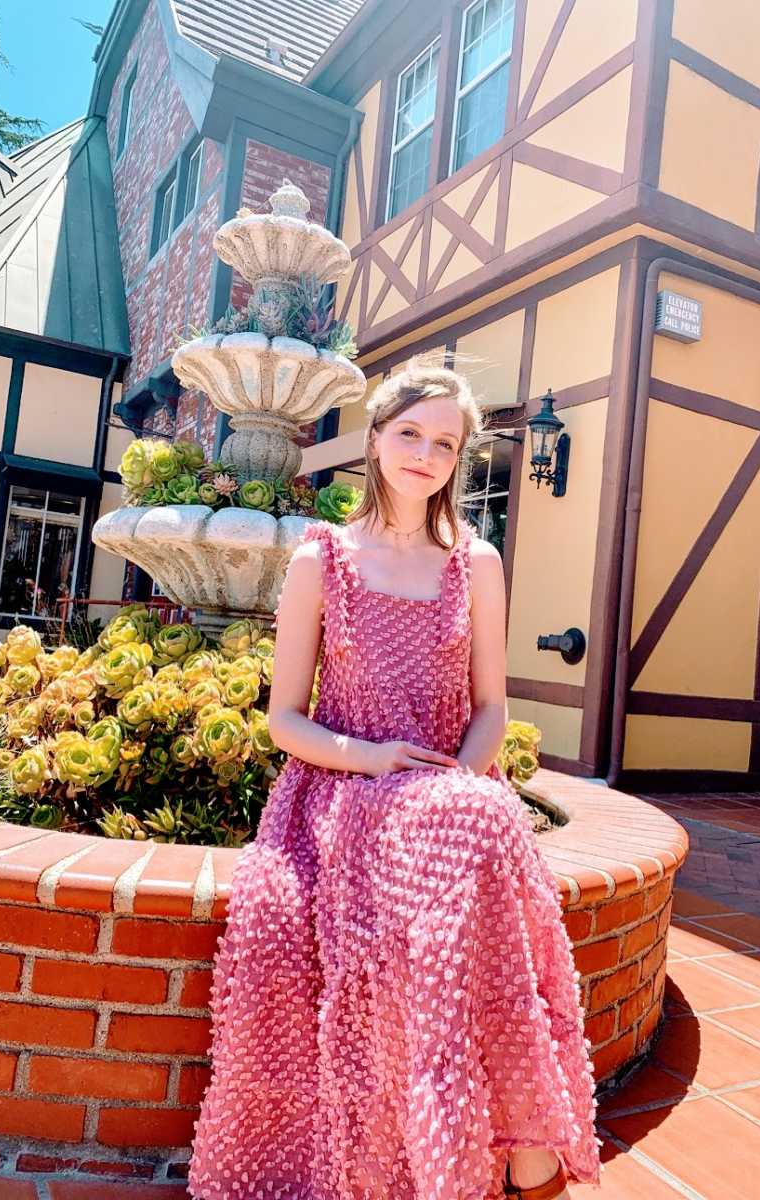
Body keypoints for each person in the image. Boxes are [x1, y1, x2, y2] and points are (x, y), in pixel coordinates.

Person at [187, 361, 602, 1200]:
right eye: (410, 433)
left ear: (459, 460)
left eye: (445, 443)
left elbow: (492, 705)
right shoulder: (323, 560)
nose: (425, 454)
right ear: (375, 439)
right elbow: (285, 721)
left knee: (479, 819)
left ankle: (503, 1124)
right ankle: (511, 1138)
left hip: (441, 789)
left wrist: (455, 776)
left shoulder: (475, 562)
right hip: (340, 787)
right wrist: (375, 759)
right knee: (477, 830)